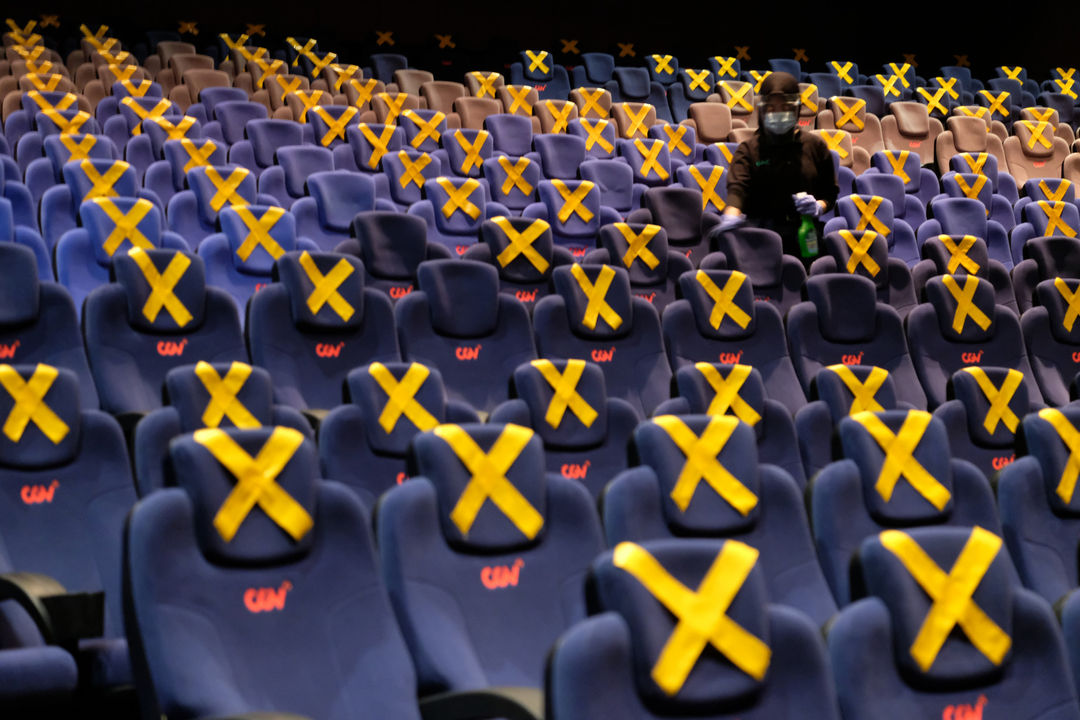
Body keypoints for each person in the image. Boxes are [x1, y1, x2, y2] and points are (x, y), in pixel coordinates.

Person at [712, 71, 839, 264]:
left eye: (785, 107)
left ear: (797, 109)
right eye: (771, 108)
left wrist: (818, 207)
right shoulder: (749, 150)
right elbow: (737, 192)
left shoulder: (816, 146)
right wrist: (731, 217)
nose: (778, 113)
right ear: (762, 110)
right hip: (762, 239)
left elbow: (829, 193)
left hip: (806, 237)